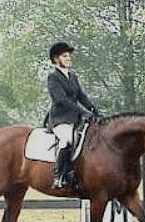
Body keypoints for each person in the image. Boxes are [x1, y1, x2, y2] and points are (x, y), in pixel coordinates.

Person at [44, 42, 101, 188]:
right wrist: (83, 111)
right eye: (65, 56)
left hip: (75, 119)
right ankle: (58, 176)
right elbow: (61, 100)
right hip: (60, 119)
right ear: (56, 59)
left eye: (69, 56)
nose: (69, 58)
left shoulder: (72, 76)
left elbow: (81, 96)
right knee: (67, 140)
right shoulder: (53, 77)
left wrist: (93, 110)